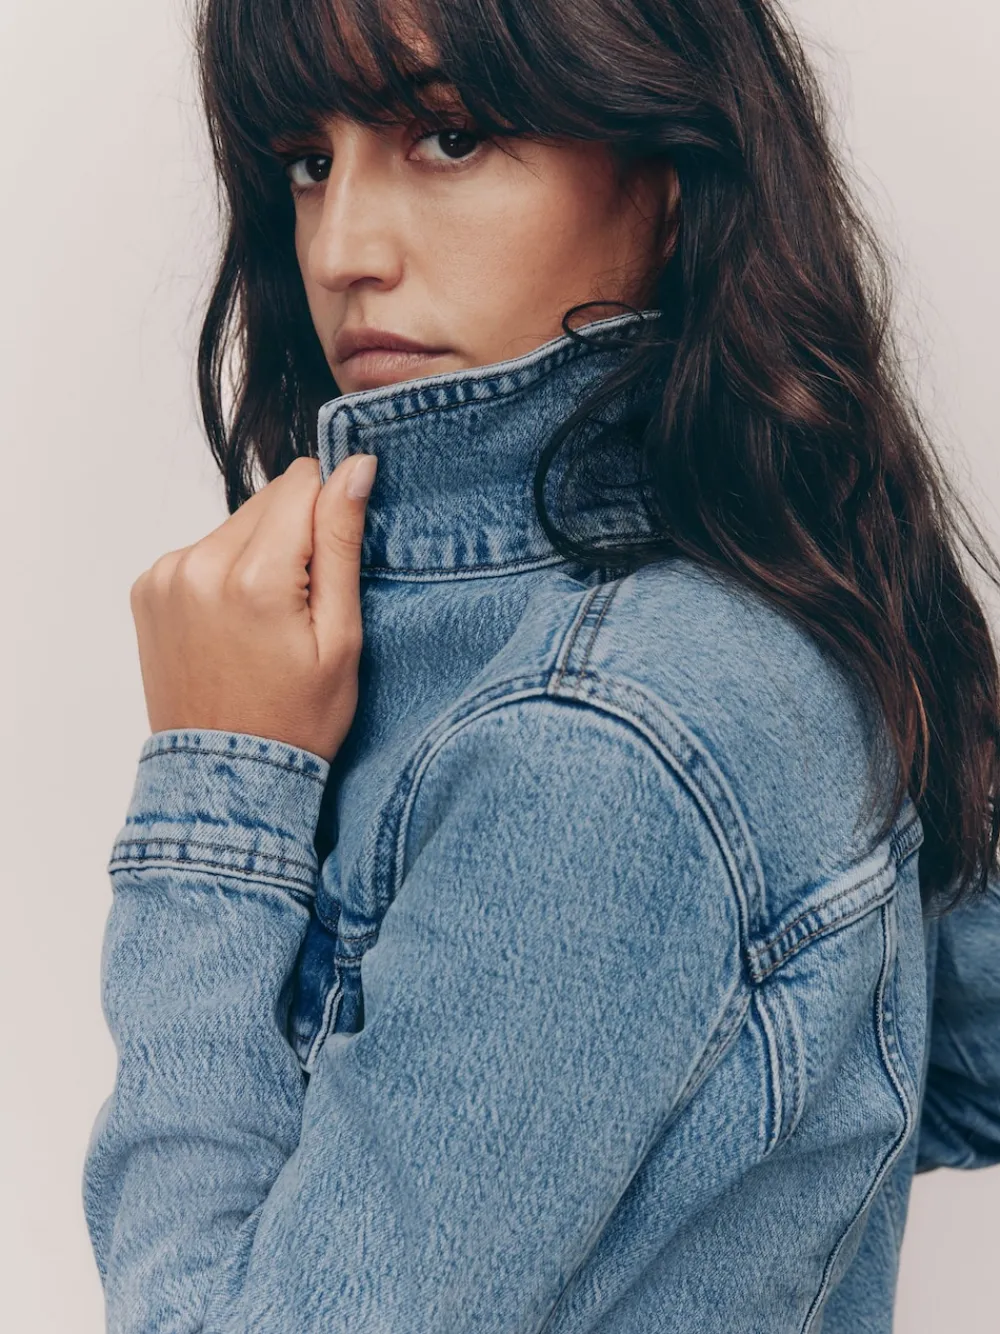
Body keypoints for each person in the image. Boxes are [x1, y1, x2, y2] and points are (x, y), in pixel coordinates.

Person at [81, 1, 1000, 1330]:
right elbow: (931, 1071)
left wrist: (216, 789)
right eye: (309, 162)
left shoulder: (593, 730)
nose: (341, 251)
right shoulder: (781, 575)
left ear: (669, 174)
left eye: (448, 137)